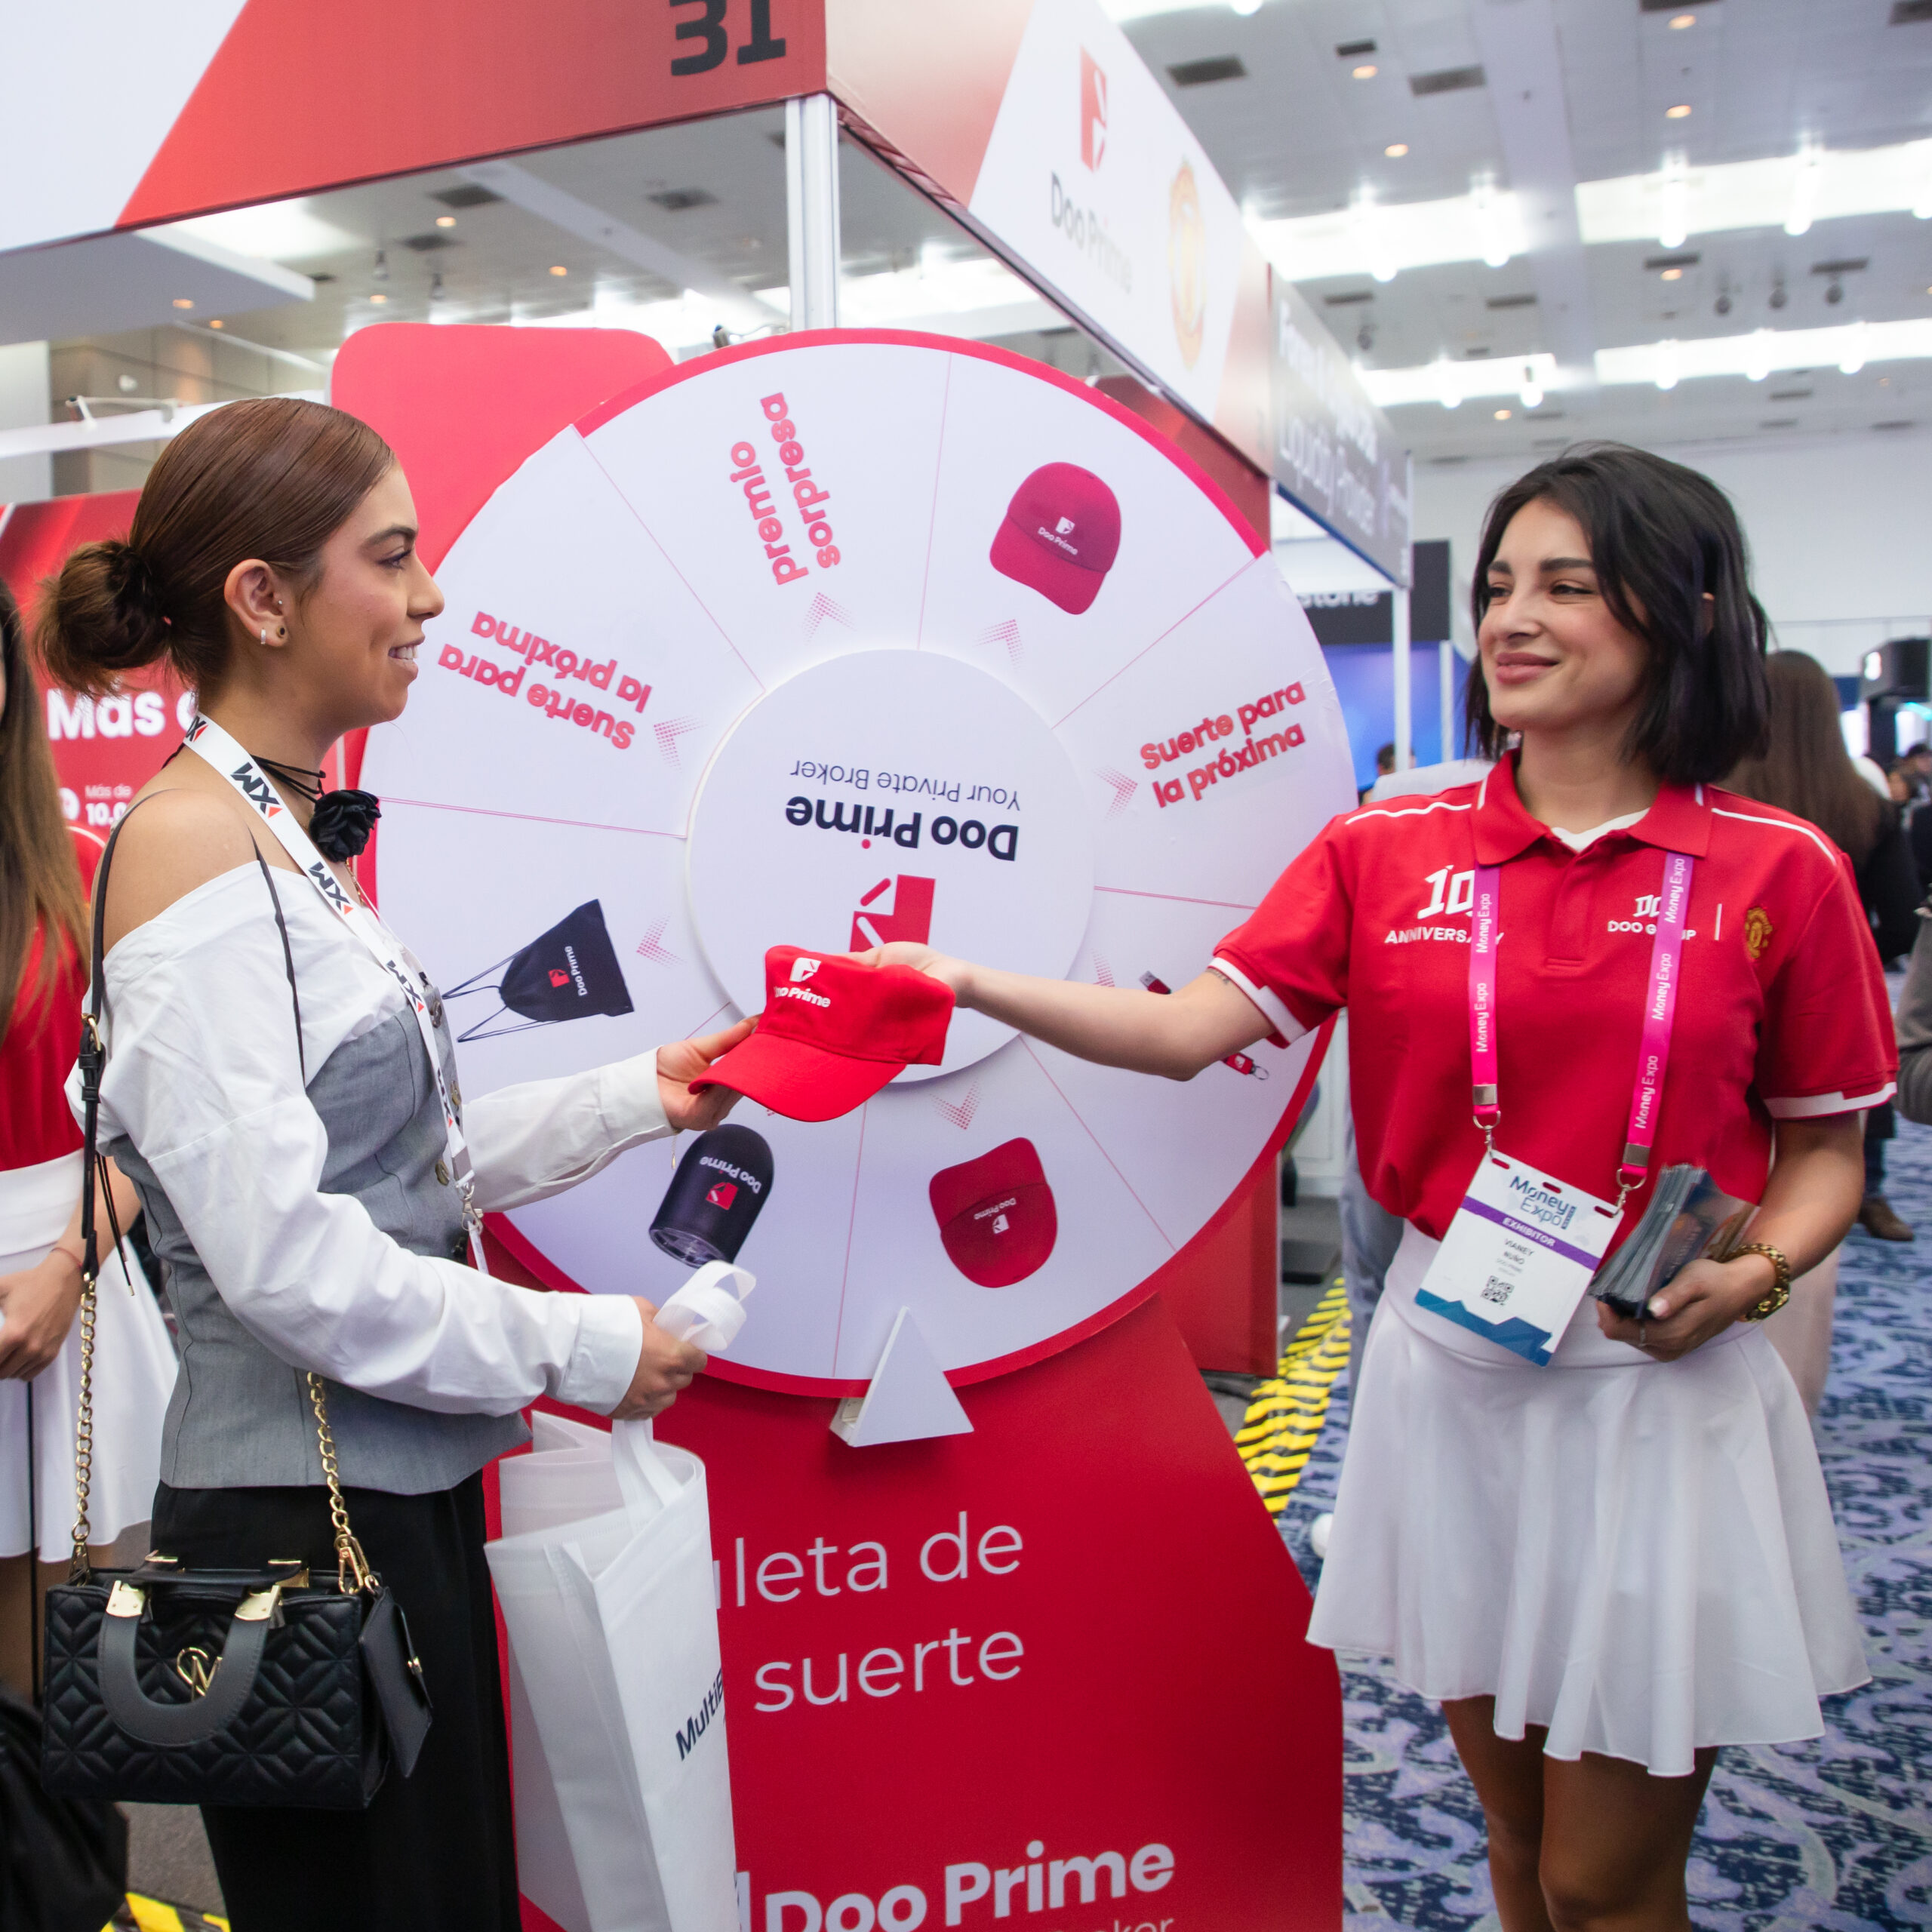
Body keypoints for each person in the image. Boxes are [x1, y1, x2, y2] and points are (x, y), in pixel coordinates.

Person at [865, 444, 1890, 1932]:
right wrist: (964, 978)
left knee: (1605, 1878)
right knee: (1514, 1841)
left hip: (1656, 1394)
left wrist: (1757, 1273)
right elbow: (1185, 1032)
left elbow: (1823, 1149)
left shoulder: (1776, 870)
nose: (1511, 620)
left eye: (1565, 586)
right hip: (1450, 1372)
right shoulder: (1383, 847)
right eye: (1498, 587)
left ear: (1684, 613)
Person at [35, 397, 752, 1932]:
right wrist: (582, 1347)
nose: (429, 595)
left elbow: (395, 1167)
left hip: (385, 1493)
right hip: (301, 1532)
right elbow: (288, 1261)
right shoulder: (192, 848)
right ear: (263, 597)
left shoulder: (274, 833)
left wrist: (638, 1094)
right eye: (393, 555)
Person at [0, 580, 175, 1701]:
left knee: (64, 1712)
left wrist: (68, 1266)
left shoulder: (84, 870)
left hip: (69, 1294)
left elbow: (148, 1125)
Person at [1728, 651, 1918, 1254]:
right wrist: (1841, 963)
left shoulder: (1721, 804)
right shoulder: (1868, 805)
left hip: (1730, 994)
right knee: (1842, 1104)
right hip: (1837, 999)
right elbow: (1904, 919)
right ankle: (1869, 1194)